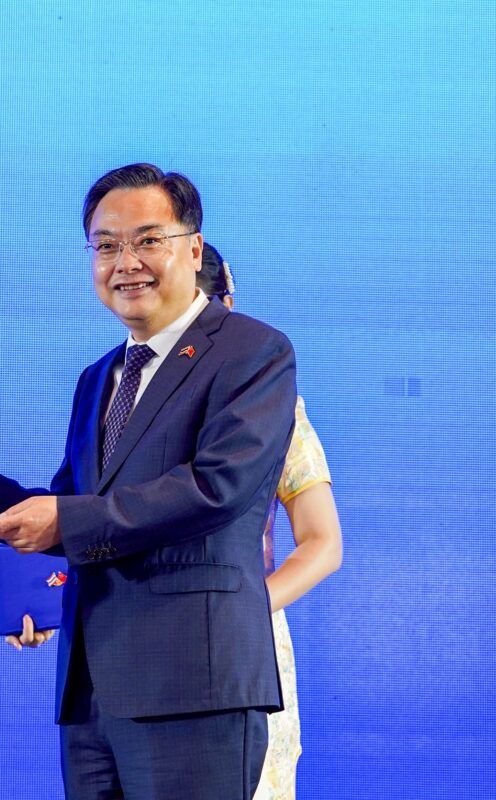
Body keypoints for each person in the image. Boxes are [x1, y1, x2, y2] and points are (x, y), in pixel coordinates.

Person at [0, 163, 297, 798]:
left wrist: (64, 519)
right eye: (106, 245)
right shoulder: (99, 377)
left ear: (193, 248)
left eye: (148, 240)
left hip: (193, 686)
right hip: (93, 691)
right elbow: (76, 504)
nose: (126, 263)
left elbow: (217, 487)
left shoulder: (252, 351)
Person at [0, 242, 343, 799]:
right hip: (108, 669)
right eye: (107, 247)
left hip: (215, 654)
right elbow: (86, 513)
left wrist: (232, 608)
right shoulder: (103, 383)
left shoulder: (261, 389)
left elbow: (320, 542)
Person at [199, 244, 343, 800]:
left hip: (241, 654)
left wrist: (241, 609)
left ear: (229, 305)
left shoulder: (274, 403)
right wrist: (50, 601)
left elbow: (322, 543)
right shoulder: (118, 394)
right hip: (134, 653)